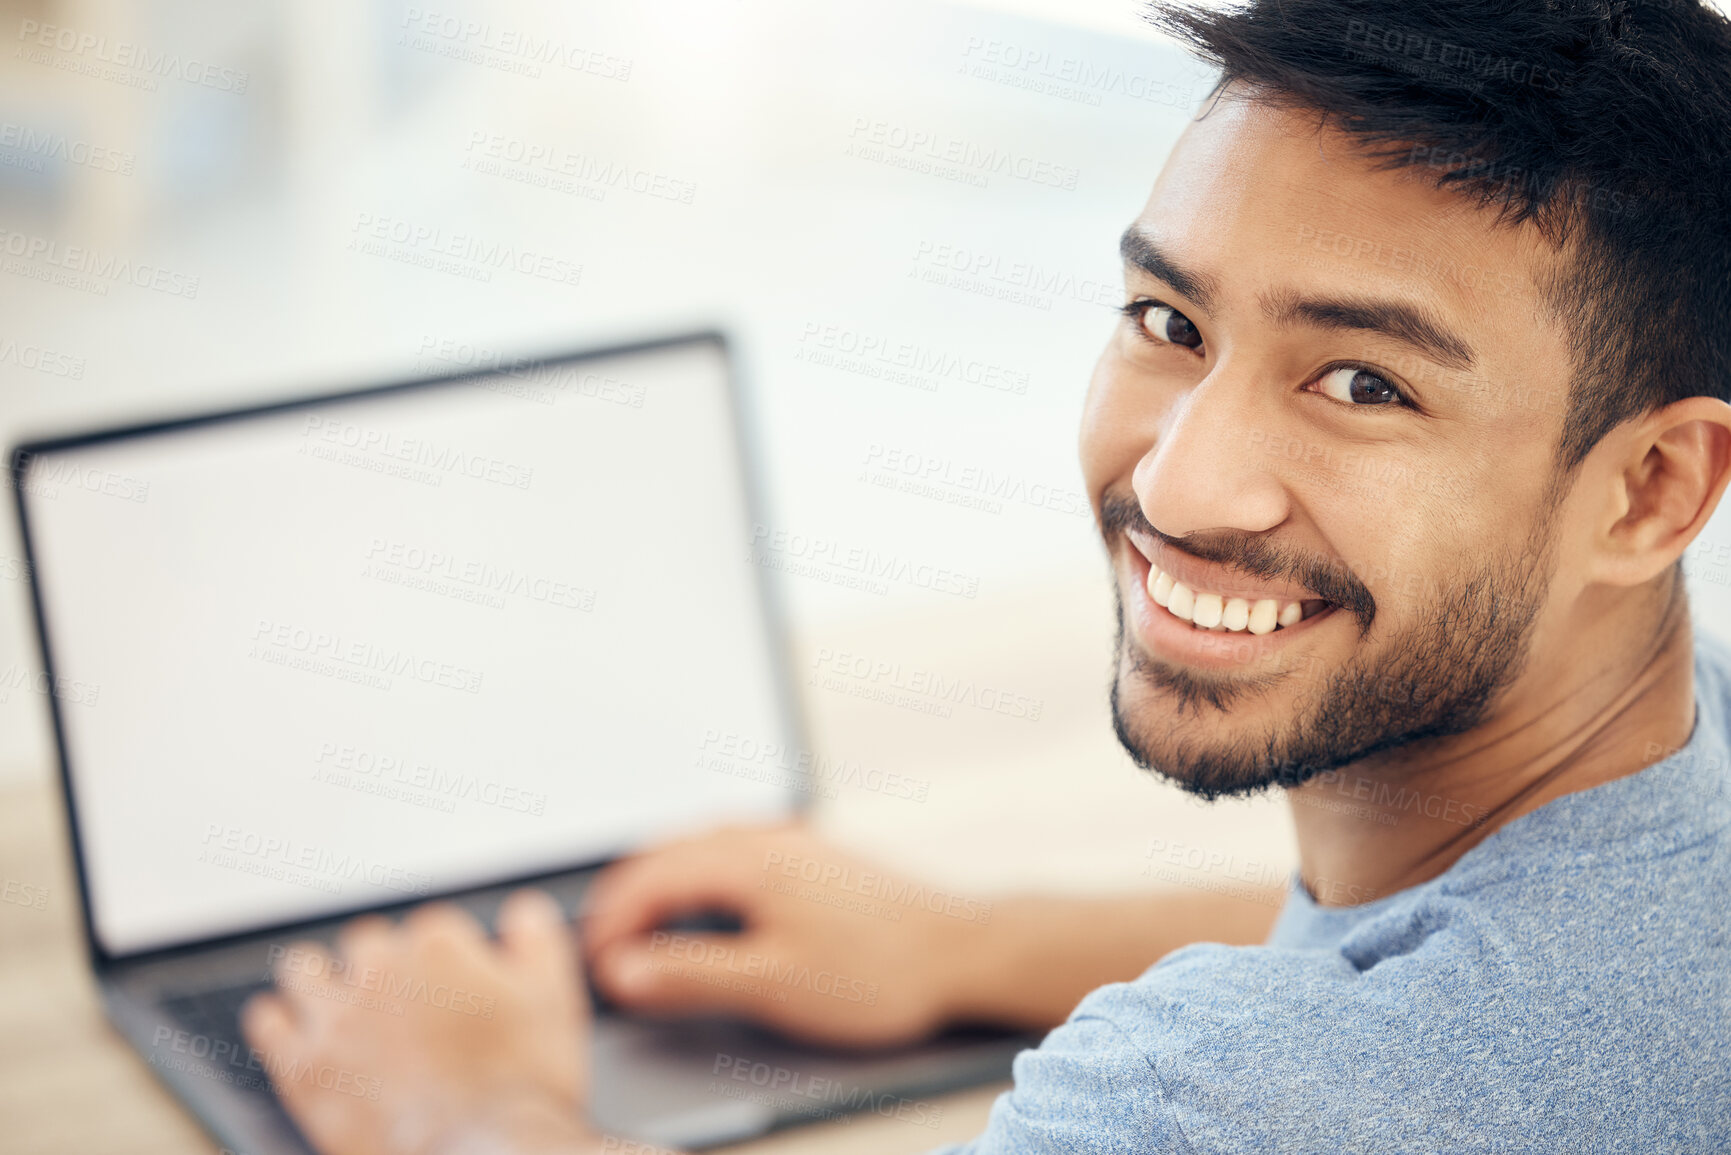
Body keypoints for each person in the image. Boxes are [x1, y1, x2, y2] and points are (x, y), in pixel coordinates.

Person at [240, 0, 1731, 1150]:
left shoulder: (1235, 1098)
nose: (1177, 481)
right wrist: (960, 943)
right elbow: (1416, 976)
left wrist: (461, 1111)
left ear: (1652, 487)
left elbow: (1333, 1059)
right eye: (1170, 320)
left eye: (1361, 384)